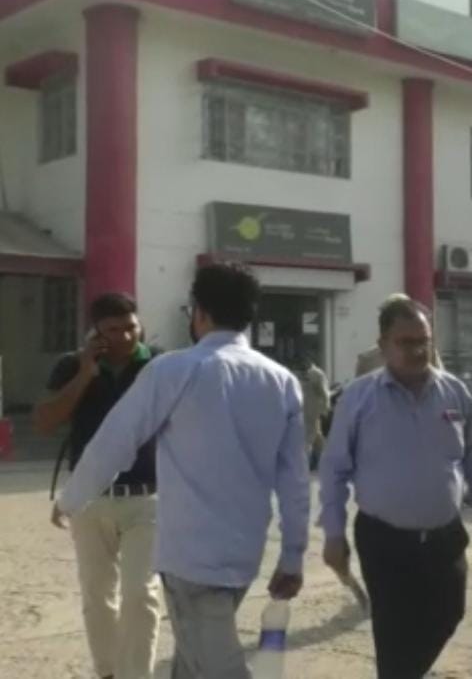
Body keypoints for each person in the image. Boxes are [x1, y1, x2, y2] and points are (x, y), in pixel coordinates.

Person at [56, 263, 311, 679]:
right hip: (245, 552)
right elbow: (295, 481)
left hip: (191, 557)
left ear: (200, 312)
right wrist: (293, 556)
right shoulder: (281, 381)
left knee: (216, 667)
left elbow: (114, 442)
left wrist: (71, 498)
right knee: (193, 661)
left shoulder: (174, 370)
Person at [319, 298, 472, 679]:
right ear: (383, 345)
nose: (418, 350)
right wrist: (334, 535)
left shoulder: (454, 392)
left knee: (450, 611)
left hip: (444, 538)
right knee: (394, 633)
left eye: (424, 340)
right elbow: (334, 470)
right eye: (406, 342)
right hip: (385, 541)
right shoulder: (359, 398)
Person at [35, 293, 162, 679]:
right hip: (90, 500)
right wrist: (85, 373)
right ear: (95, 332)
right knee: (97, 595)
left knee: (140, 594)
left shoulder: (158, 364)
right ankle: (107, 672)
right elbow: (45, 422)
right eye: (113, 330)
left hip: (148, 498)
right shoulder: (71, 365)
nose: (124, 337)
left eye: (130, 327)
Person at [296, 354, 332, 467]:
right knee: (316, 436)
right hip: (304, 409)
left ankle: (305, 463)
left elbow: (324, 393)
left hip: (313, 410)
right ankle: (324, 460)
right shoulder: (300, 374)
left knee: (308, 437)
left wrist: (326, 409)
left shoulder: (317, 374)